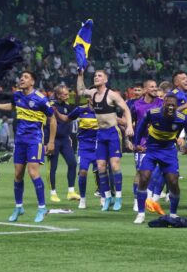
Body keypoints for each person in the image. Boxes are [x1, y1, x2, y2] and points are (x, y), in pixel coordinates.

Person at [0, 71, 56, 222]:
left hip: (35, 140)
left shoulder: (41, 99)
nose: (21, 79)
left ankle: (42, 208)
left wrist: (51, 141)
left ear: (32, 82)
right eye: (21, 77)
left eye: (26, 77)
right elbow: (12, 106)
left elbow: (52, 119)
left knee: (33, 172)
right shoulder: (17, 95)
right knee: (18, 175)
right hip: (20, 141)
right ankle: (19, 207)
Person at [76, 70, 134, 212]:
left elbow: (126, 109)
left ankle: (118, 198)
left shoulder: (112, 95)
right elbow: (80, 91)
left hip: (113, 133)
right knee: (101, 167)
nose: (96, 77)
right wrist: (80, 74)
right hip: (100, 134)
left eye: (100, 75)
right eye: (95, 75)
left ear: (106, 80)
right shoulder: (93, 93)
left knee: (114, 166)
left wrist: (129, 126)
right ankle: (107, 197)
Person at [133, 94, 187, 224]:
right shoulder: (152, 113)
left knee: (173, 181)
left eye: (173, 105)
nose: (171, 107)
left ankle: (173, 214)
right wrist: (137, 143)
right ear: (163, 104)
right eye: (168, 104)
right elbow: (140, 126)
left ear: (177, 106)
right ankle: (140, 213)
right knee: (144, 177)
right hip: (152, 150)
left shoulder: (182, 118)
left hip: (169, 151)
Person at [53, 97, 98, 209]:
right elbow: (66, 118)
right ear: (89, 98)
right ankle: (82, 199)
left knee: (100, 172)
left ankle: (104, 198)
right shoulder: (80, 110)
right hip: (84, 146)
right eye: (92, 96)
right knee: (83, 171)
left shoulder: (104, 110)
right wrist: (57, 113)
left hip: (99, 145)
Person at [130, 80, 164, 213]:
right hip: (142, 144)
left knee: (157, 171)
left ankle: (150, 199)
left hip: (157, 143)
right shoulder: (136, 105)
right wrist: (131, 141)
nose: (155, 89)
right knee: (141, 173)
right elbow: (129, 122)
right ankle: (137, 200)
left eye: (156, 86)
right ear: (144, 90)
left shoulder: (161, 103)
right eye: (152, 87)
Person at [47, 84, 79, 203]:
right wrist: (48, 141)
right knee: (53, 167)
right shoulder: (51, 106)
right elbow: (48, 123)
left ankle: (71, 191)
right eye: (64, 94)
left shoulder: (68, 106)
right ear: (58, 95)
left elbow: (71, 117)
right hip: (54, 139)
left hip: (65, 139)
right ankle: (53, 193)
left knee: (72, 163)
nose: (67, 96)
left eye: (67, 94)